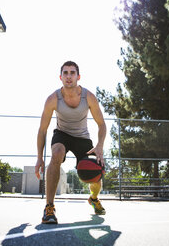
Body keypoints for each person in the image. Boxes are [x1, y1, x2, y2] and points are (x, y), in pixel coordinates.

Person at [35, 61, 107, 224]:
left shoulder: (88, 97)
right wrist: (39, 157)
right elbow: (42, 130)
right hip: (62, 134)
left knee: (95, 174)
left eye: (72, 73)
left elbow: (102, 124)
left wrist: (100, 145)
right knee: (56, 154)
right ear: (60, 77)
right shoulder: (53, 99)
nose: (69, 76)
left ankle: (94, 198)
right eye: (65, 73)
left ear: (78, 76)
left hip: (82, 137)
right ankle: (49, 207)